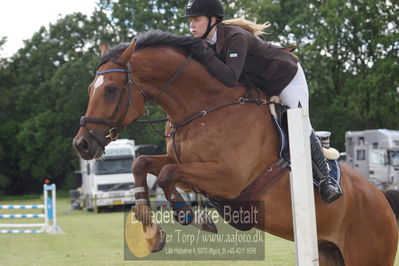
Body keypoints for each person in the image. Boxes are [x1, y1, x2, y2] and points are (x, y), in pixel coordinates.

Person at [182, 0, 342, 204]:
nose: (191, 25)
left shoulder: (235, 37)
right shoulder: (206, 44)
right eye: (190, 21)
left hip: (286, 79)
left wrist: (204, 56)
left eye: (196, 19)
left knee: (300, 125)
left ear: (213, 20)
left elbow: (230, 78)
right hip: (260, 86)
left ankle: (327, 180)